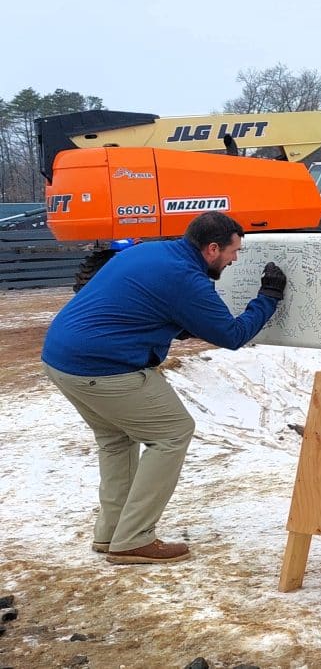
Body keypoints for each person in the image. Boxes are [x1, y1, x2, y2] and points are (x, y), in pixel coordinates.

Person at [41, 211, 287, 565]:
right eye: (233, 251)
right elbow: (232, 335)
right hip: (102, 368)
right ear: (212, 249)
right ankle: (134, 539)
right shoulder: (186, 279)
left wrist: (178, 323)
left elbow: (138, 303)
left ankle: (112, 533)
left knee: (116, 440)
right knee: (173, 432)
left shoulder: (151, 252)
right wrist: (268, 297)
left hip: (60, 359)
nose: (235, 260)